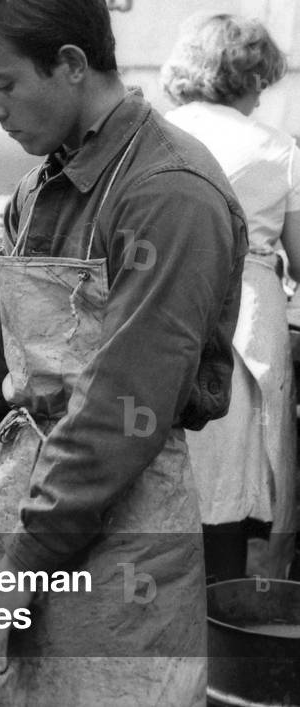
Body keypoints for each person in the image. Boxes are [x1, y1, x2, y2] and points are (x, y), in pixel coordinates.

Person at [0, 0, 248, 705]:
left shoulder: (168, 195)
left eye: (1, 84)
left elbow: (119, 411)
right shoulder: (37, 191)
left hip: (118, 535)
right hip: (17, 519)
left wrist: (25, 562)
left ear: (70, 64)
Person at [161, 14, 298, 581]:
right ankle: (225, 602)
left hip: (161, 305)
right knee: (230, 475)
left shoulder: (154, 134)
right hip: (243, 317)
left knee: (169, 468)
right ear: (252, 78)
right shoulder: (276, 148)